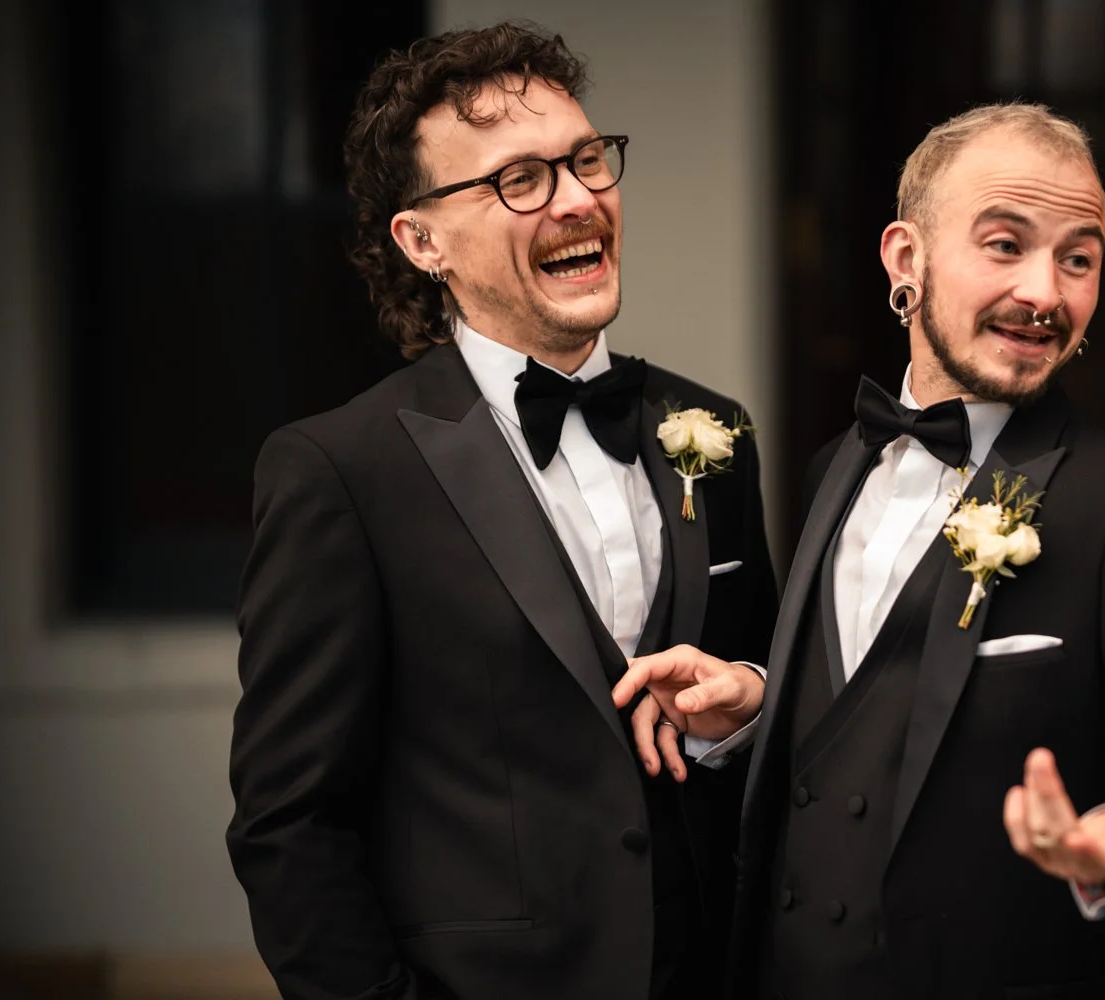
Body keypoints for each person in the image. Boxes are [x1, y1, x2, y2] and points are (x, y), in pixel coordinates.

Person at [624, 102, 1105, 998]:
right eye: (1004, 243)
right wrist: (759, 709)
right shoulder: (838, 465)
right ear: (906, 261)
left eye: (1079, 258)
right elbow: (861, 724)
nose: (1045, 293)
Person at [225, 23, 775, 1000]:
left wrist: (744, 701)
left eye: (586, 160)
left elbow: (763, 696)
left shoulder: (713, 432)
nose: (579, 199)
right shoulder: (339, 472)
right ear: (422, 238)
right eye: (521, 179)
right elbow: (291, 823)